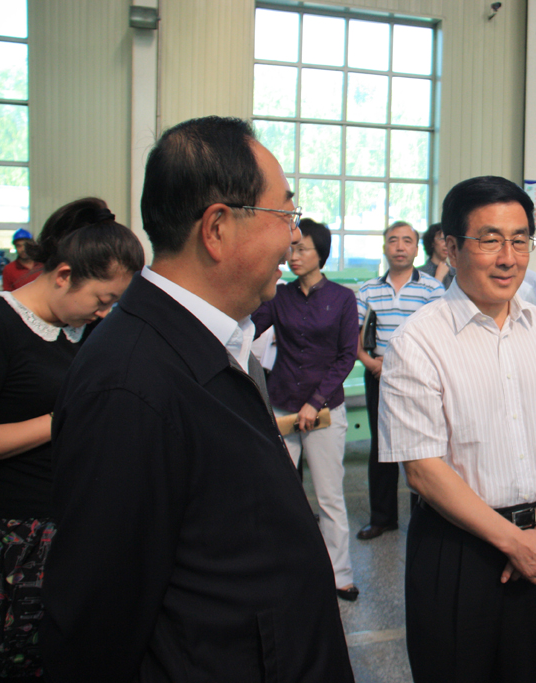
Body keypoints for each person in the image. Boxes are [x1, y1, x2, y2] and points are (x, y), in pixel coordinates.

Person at [41, 116, 354, 682]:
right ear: (217, 228)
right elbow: (95, 623)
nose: (293, 239)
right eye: (285, 215)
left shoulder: (217, 340)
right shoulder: (130, 385)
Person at [378, 175, 536, 683]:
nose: (508, 258)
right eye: (490, 240)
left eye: (520, 240)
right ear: (450, 246)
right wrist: (514, 543)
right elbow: (423, 469)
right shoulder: (418, 341)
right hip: (457, 550)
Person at [0, 198, 143, 681]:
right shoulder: (0, 325)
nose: (104, 313)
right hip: (16, 537)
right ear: (63, 275)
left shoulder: (76, 332)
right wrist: (59, 420)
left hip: (71, 522)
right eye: (101, 299)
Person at [251, 218, 360, 599]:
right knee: (280, 493)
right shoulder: (280, 295)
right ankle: (283, 569)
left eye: (302, 249)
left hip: (325, 412)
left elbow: (346, 356)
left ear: (321, 254)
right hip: (282, 404)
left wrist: (315, 402)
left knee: (329, 497)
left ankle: (340, 574)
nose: (294, 255)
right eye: (291, 249)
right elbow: (249, 328)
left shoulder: (343, 298)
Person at [355, 221, 444, 540]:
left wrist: (400, 366)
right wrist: (371, 363)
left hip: (417, 377)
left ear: (417, 249)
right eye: (393, 240)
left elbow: (438, 337)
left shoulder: (433, 289)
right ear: (385, 247)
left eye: (407, 240)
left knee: (420, 445)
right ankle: (383, 517)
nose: (400, 246)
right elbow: (355, 335)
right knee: (381, 446)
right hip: (377, 374)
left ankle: (423, 515)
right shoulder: (368, 289)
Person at [419, 221, 455, 289]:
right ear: (432, 242)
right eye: (442, 239)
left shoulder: (456, 274)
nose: (446, 244)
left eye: (448, 240)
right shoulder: (420, 273)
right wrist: (438, 277)